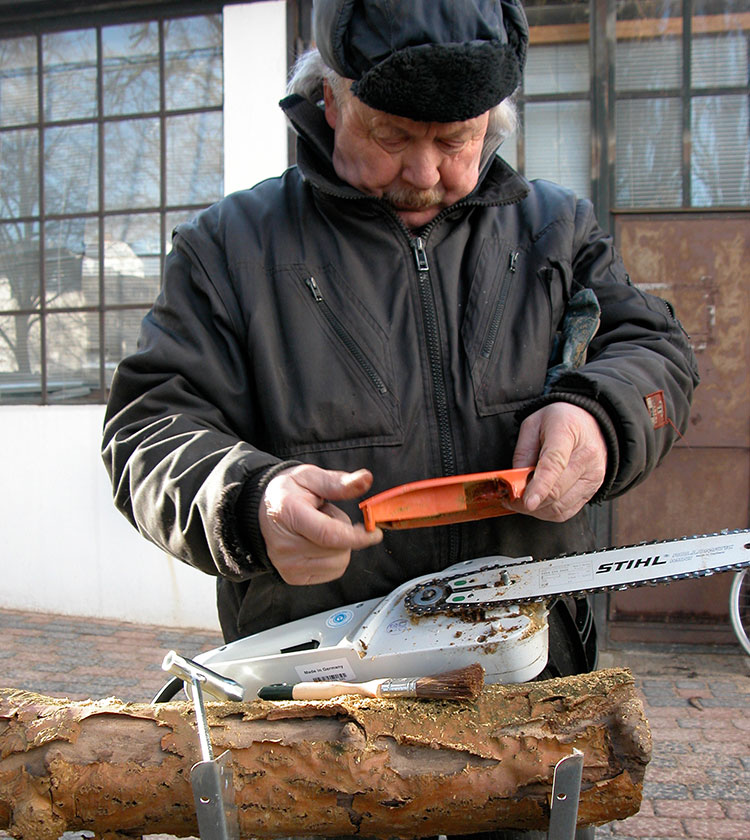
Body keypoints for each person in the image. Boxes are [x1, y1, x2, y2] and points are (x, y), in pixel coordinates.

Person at [102, 1, 698, 837]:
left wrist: (600, 417)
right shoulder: (229, 249)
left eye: (457, 140)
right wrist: (249, 502)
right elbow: (148, 429)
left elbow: (654, 352)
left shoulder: (557, 229)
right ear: (328, 99)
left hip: (526, 709)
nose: (426, 173)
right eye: (391, 136)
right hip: (315, 725)